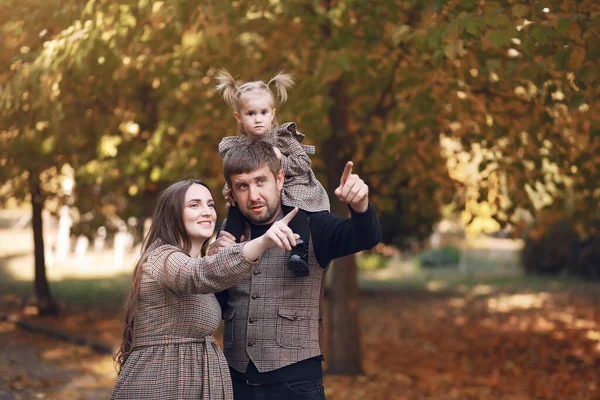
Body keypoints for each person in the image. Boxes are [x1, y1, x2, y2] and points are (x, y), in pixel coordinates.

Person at [209, 140, 382, 399]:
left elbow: (364, 237)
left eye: (260, 181)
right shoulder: (229, 233)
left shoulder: (312, 224)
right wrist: (213, 263)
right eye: (242, 186)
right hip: (236, 383)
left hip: (296, 386)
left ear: (279, 179)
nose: (253, 195)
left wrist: (360, 206)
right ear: (232, 192)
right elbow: (219, 306)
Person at [111, 179, 301, 400]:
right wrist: (263, 241)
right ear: (173, 214)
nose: (207, 212)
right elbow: (196, 275)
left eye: (210, 205)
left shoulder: (195, 262)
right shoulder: (161, 258)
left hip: (195, 383)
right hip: (161, 383)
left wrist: (237, 208)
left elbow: (205, 273)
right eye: (194, 205)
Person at [215, 69, 330, 277]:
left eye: (263, 113)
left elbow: (303, 163)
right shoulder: (235, 147)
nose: (258, 119)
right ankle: (227, 247)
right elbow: (232, 173)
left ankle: (299, 250)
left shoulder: (283, 138)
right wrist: (229, 188)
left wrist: (280, 159)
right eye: (251, 114)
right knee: (235, 209)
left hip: (292, 183)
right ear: (238, 117)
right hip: (257, 190)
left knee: (295, 208)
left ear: (273, 114)